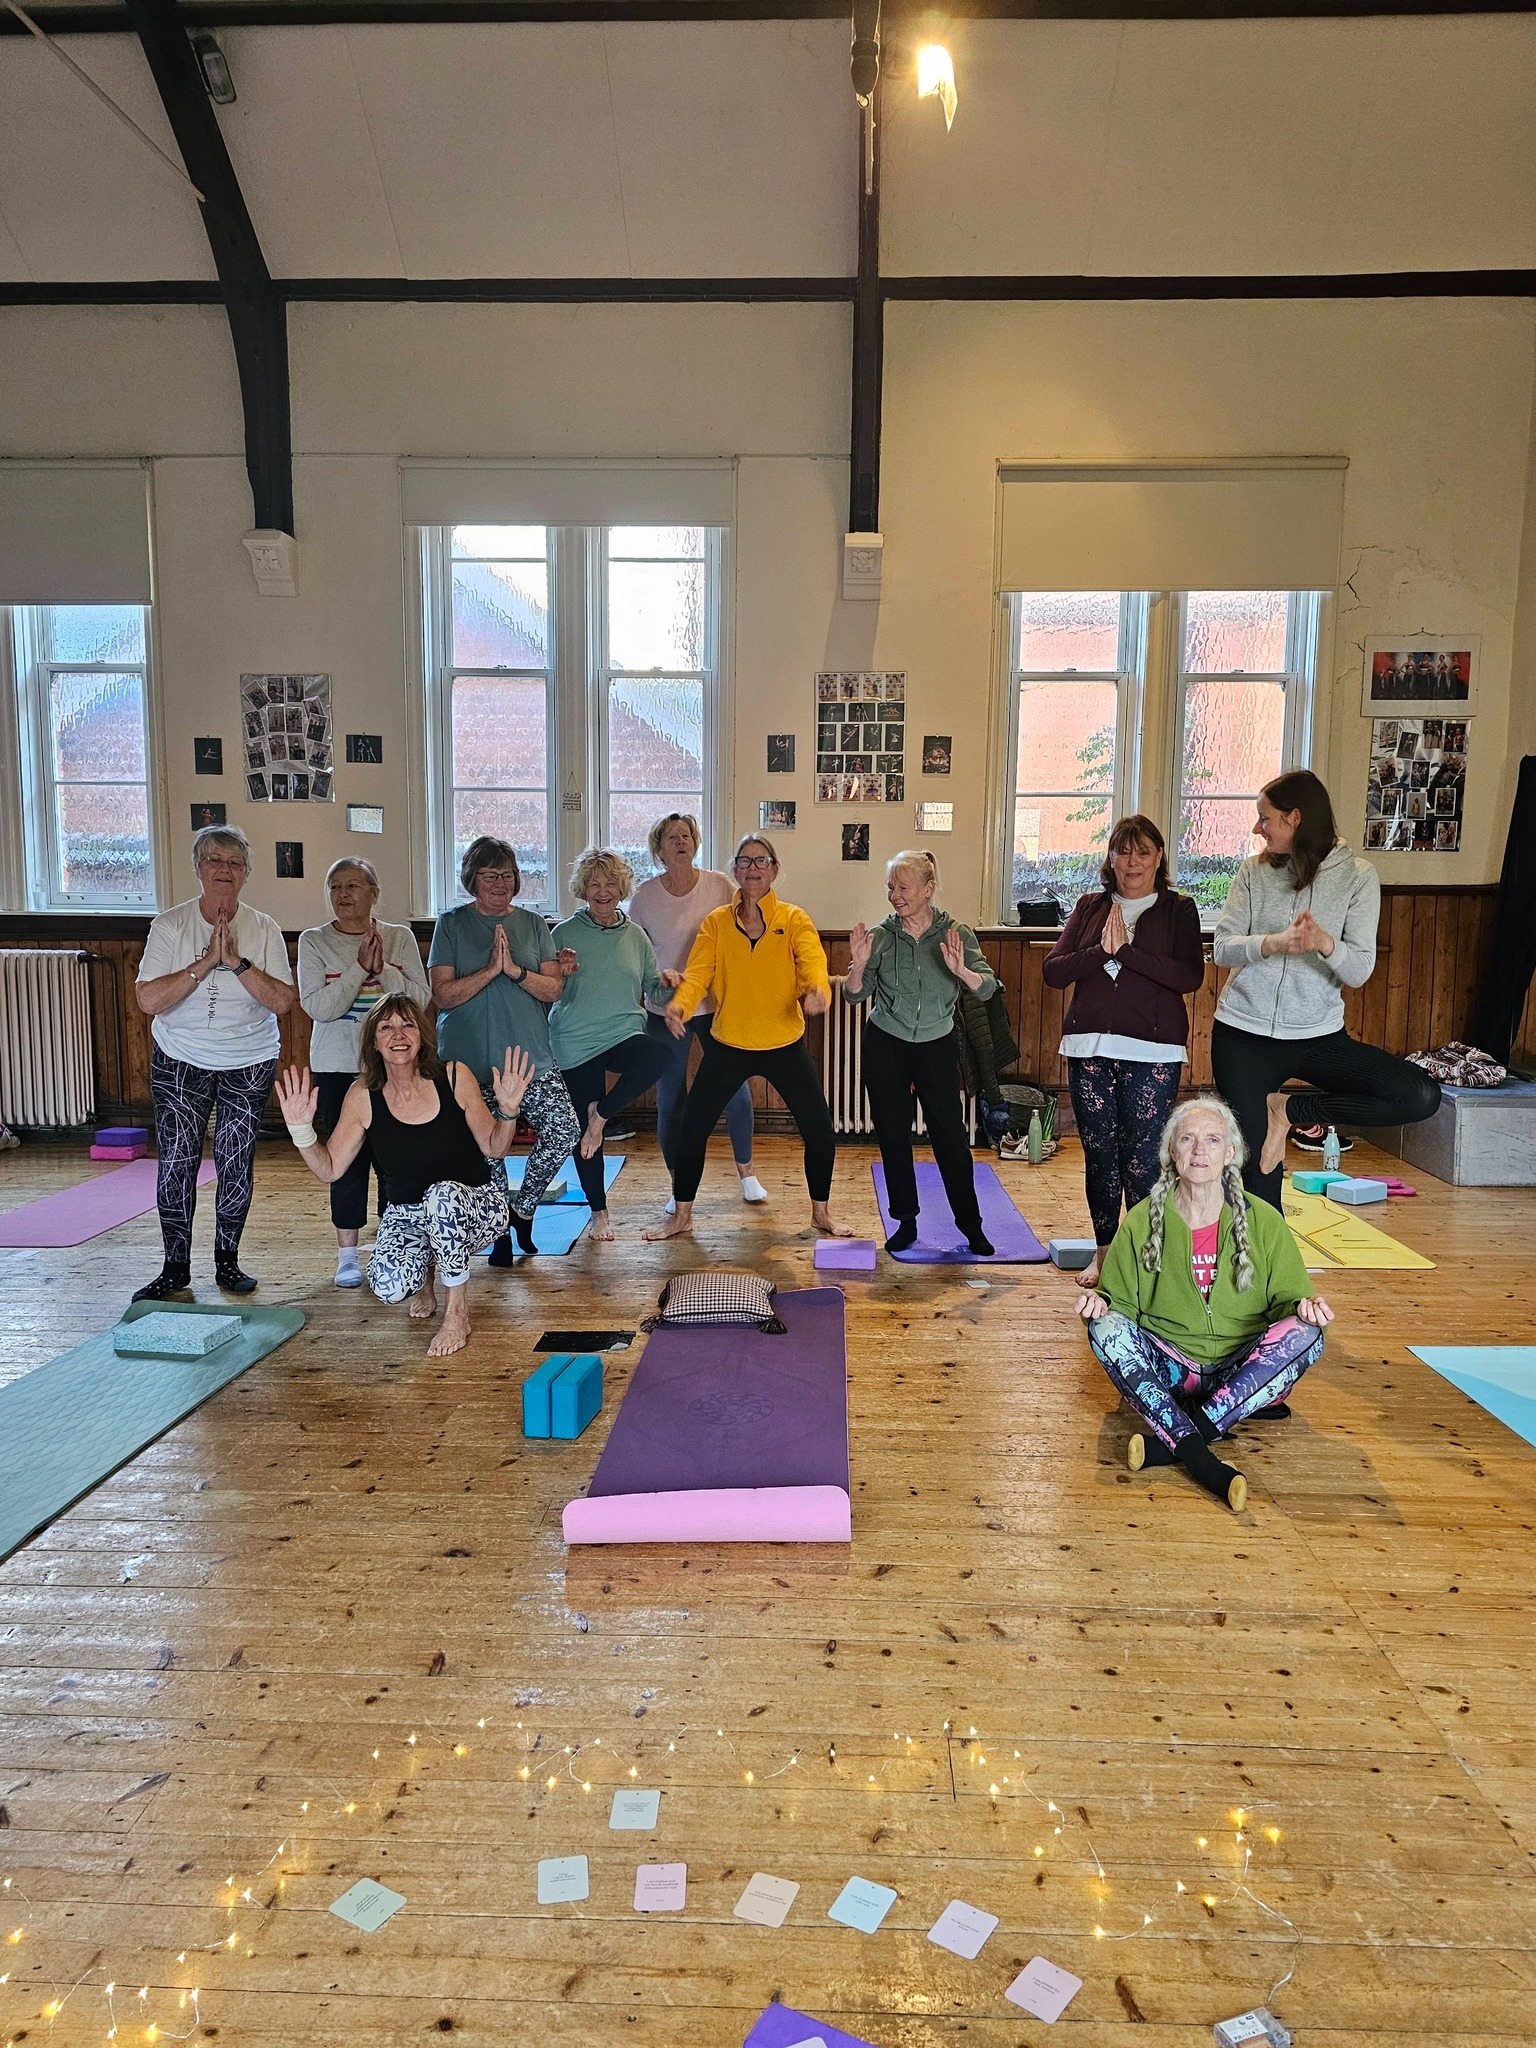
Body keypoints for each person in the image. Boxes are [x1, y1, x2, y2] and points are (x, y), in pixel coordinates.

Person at [1076, 1096, 1333, 1512]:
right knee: (1104, 1329)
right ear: (1171, 1151)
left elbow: (1291, 1301)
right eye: (1187, 1139)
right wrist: (1098, 1305)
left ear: (1230, 1153)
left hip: (1242, 1371)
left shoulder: (1264, 1220)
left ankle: (1181, 1440)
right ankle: (1202, 1454)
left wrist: (1307, 1309)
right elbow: (1118, 1305)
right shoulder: (1141, 1220)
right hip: (1171, 1371)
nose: (1199, 1150)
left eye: (1212, 1140)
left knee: (1308, 1333)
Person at [1210, 770, 1440, 1210]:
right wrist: (1272, 943)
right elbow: (1222, 947)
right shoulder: (1253, 871)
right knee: (1258, 1173)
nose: (1258, 828)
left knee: (1419, 1095)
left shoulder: (1358, 876)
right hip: (1243, 1036)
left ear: (1295, 818)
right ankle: (1266, 1252)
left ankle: (1288, 1111)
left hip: (1318, 1037)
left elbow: (1359, 970)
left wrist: (1325, 943)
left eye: (1266, 818)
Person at [276, 998, 533, 1358]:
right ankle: (426, 1272)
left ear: (422, 1036)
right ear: (374, 1042)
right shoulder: (363, 1095)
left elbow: (495, 1147)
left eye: (408, 1025)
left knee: (442, 1197)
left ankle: (457, 1312)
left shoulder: (454, 1076)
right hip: (409, 1214)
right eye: (387, 1027)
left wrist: (508, 1112)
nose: (398, 1035)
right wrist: (301, 1130)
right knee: (388, 1286)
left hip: (477, 1206)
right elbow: (330, 1168)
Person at [645, 834, 851, 1241]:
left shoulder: (793, 919)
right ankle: (682, 1215)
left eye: (761, 860)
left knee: (818, 1129)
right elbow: (698, 974)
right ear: (735, 871)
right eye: (745, 861)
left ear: (774, 869)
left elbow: (813, 964)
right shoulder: (716, 922)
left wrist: (818, 992)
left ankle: (821, 1214)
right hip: (729, 1045)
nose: (753, 868)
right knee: (692, 1128)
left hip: (783, 1044)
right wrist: (680, 1005)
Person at [132, 825, 294, 1300]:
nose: (224, 869)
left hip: (250, 1058)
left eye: (234, 863)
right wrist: (206, 963)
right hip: (180, 1058)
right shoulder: (169, 925)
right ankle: (175, 1267)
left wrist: (237, 961)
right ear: (198, 868)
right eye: (214, 861)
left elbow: (282, 1001)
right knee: (177, 1162)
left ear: (246, 873)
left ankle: (228, 1262)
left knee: (235, 1160)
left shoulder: (264, 928)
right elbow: (148, 999)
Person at [1043, 815, 1206, 1286]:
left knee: (1143, 1159)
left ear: (1159, 857)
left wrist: (1127, 952)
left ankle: (1141, 1257)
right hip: (1089, 1046)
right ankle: (1104, 1254)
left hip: (1153, 1052)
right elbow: (1054, 971)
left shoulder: (1179, 909)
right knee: (1099, 1156)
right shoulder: (1090, 906)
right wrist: (1102, 950)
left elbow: (1189, 976)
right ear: (1110, 858)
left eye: (1143, 852)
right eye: (1123, 852)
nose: (1132, 862)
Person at [427, 837, 581, 1260]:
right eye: (489, 875)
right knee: (487, 1149)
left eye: (507, 874)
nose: (500, 882)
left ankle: (523, 1209)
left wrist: (513, 970)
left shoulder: (533, 923)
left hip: (529, 1057)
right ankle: (498, 1231)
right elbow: (442, 995)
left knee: (564, 1131)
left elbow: (552, 989)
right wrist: (489, 970)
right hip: (468, 1060)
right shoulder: (451, 923)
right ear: (472, 879)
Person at [842, 849, 999, 1256]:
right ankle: (906, 1221)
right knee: (893, 1135)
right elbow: (855, 996)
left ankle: (971, 1225)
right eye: (890, 888)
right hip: (886, 1042)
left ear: (928, 889)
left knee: (950, 1137)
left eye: (903, 887)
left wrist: (962, 971)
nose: (894, 896)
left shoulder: (956, 933)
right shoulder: (881, 936)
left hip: (936, 1043)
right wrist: (857, 966)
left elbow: (987, 987)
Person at [297, 858, 431, 1287]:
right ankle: (348, 1256)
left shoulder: (399, 937)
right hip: (338, 1067)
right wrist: (358, 969)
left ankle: (395, 1243)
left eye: (352, 885)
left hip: (395, 1067)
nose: (343, 894)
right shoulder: (314, 940)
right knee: (347, 1161)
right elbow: (319, 1007)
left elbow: (418, 1002)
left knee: (396, 1159)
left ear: (374, 894)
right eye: (335, 886)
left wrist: (382, 970)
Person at [629, 813, 766, 1209]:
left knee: (735, 1092)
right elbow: (636, 954)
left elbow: (746, 931)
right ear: (659, 848)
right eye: (672, 836)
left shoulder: (720, 887)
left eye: (686, 835)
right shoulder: (644, 897)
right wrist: (653, 983)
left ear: (695, 842)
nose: (680, 841)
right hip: (665, 1009)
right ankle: (678, 1186)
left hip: (713, 1006)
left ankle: (747, 1174)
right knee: (671, 1098)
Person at [548, 849, 676, 1241]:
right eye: (594, 883)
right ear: (582, 889)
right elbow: (547, 991)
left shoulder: (635, 935)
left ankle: (600, 1115)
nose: (602, 891)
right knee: (584, 1138)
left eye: (610, 883)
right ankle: (599, 1213)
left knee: (659, 1055)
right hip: (574, 1040)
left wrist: (670, 985)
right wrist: (560, 974)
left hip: (622, 1033)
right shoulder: (562, 934)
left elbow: (652, 990)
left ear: (622, 888)